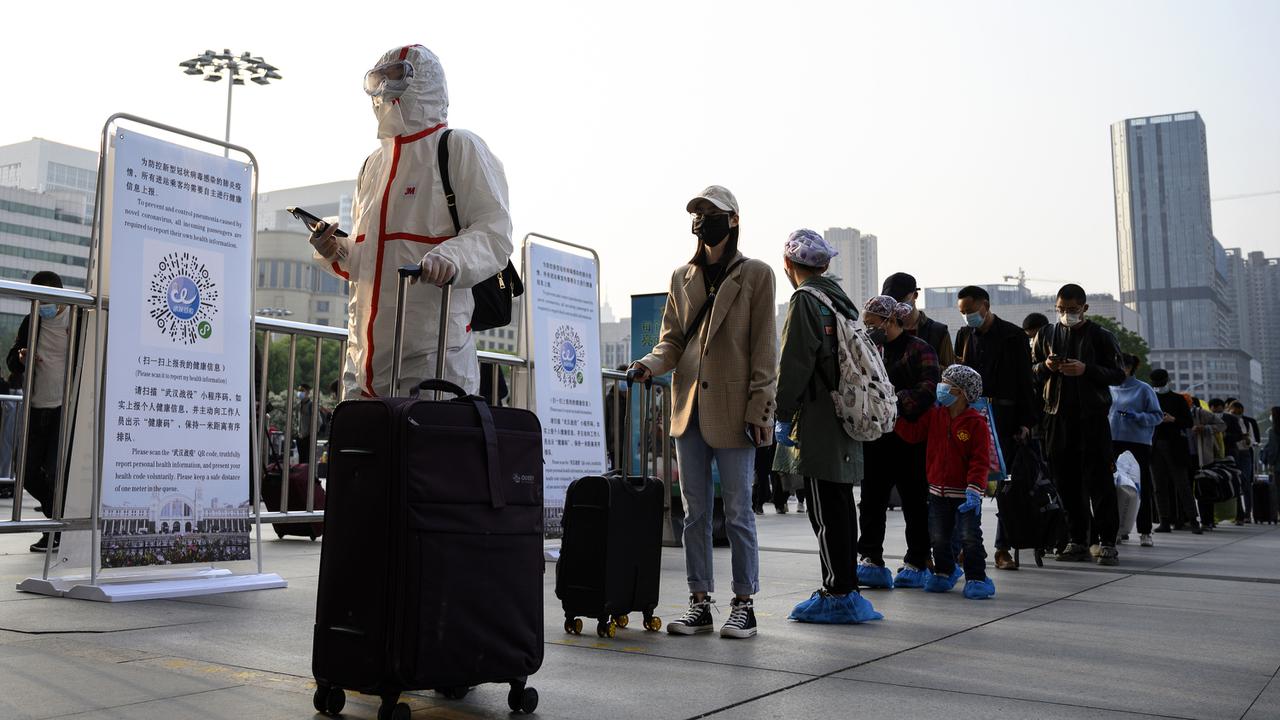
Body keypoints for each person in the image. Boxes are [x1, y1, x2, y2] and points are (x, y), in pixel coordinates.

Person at [309, 45, 512, 399]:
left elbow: (493, 234)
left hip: (433, 361)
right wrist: (334, 250)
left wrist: (450, 258)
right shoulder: (373, 166)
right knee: (361, 453)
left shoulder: (457, 148)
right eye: (380, 81)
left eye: (396, 79)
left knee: (425, 454)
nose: (385, 92)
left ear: (424, 84)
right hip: (363, 363)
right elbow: (366, 261)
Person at [631, 185, 777, 639]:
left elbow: (764, 349)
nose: (701, 220)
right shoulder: (682, 277)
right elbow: (672, 341)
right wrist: (647, 365)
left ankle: (744, 603)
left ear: (733, 219)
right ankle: (700, 601)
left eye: (711, 213)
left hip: (736, 411)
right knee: (693, 513)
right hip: (687, 410)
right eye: (696, 213)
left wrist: (761, 410)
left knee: (738, 513)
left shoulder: (757, 274)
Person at [771, 229, 882, 624]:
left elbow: (796, 362)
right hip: (846, 411)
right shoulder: (840, 300)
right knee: (839, 504)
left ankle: (836, 591)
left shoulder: (804, 300)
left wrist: (781, 414)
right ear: (826, 263)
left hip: (818, 416)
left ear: (788, 264)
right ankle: (847, 588)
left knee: (824, 508)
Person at [1031, 284, 1125, 566]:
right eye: (1061, 309)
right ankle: (1077, 540)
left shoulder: (1101, 336)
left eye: (1072, 310)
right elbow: (1030, 371)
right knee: (1065, 482)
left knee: (1100, 482)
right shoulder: (1045, 334)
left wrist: (1087, 370)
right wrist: (1046, 367)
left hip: (1092, 419)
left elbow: (1119, 374)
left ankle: (1107, 541)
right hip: (1056, 417)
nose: (1066, 315)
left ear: (1084, 308)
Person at [857, 295, 940, 589]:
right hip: (876, 436)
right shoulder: (867, 349)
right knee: (871, 500)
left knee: (915, 500)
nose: (867, 328)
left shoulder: (921, 348)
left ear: (891, 321)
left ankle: (917, 560)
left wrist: (893, 401)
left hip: (910, 436)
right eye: (865, 323)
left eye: (872, 323)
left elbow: (929, 386)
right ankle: (870, 558)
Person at [896, 364, 997, 599]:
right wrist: (895, 420)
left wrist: (974, 488)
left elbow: (980, 460)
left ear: (961, 392)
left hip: (966, 495)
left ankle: (977, 577)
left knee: (970, 537)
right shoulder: (935, 414)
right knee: (938, 537)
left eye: (947, 385)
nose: (940, 388)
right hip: (937, 492)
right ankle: (943, 571)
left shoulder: (975, 423)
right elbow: (914, 434)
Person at [954, 286, 1036, 570]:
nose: (967, 317)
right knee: (969, 483)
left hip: (1005, 415)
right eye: (963, 313)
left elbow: (1026, 382)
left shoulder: (1013, 335)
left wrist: (1026, 422)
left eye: (971, 311)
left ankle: (1003, 548)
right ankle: (969, 546)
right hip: (971, 415)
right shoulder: (964, 336)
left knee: (1006, 486)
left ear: (985, 306)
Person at [5, 271, 72, 552]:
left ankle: (55, 530)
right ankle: (58, 523)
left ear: (59, 297)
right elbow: (12, 360)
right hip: (35, 406)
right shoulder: (32, 320)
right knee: (26, 471)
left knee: (57, 472)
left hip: (65, 410)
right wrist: (22, 357)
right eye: (37, 299)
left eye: (46, 300)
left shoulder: (78, 320)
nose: (41, 305)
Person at [1108, 354, 1163, 547]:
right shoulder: (1108, 388)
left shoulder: (1144, 389)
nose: (1122, 368)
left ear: (1133, 367)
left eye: (1125, 365)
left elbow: (1157, 416)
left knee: (1143, 487)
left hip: (1138, 442)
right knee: (1110, 486)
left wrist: (1138, 417)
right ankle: (1113, 530)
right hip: (1112, 440)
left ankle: (1145, 531)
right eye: (1118, 364)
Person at [1148, 370, 1199, 533]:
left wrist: (1173, 419)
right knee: (1159, 486)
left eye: (1160, 382)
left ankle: (1193, 520)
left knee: (1182, 484)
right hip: (1154, 446)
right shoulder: (1150, 398)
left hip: (1175, 446)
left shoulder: (1178, 399)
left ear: (1167, 381)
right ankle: (1164, 520)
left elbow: (1189, 422)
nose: (1158, 386)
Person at [882, 272, 955, 367]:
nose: (896, 304)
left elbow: (949, 373)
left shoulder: (938, 332)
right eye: (891, 301)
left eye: (901, 299)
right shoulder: (883, 331)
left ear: (915, 295)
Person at [1190, 397, 1226, 528]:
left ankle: (1207, 520)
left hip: (1204, 458)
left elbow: (1222, 425)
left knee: (1204, 490)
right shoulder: (1178, 414)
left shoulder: (1201, 413)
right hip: (1185, 458)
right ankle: (1189, 519)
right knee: (1188, 490)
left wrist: (1205, 428)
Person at [294, 383, 314, 464]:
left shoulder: (311, 405)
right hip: (300, 437)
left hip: (308, 437)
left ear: (308, 392)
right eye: (299, 390)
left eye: (302, 391)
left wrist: (311, 434)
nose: (300, 393)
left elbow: (318, 422)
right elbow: (297, 420)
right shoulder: (298, 405)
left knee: (307, 461)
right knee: (301, 461)